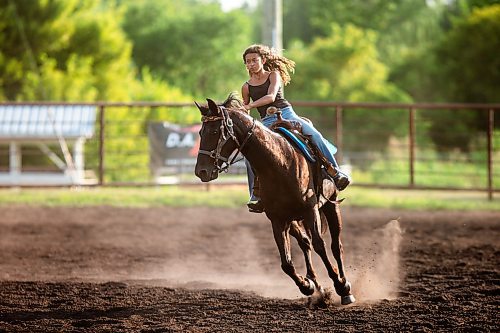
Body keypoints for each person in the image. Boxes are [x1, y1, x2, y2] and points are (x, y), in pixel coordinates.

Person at [241, 44, 350, 213]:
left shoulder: (273, 75)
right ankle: (256, 195)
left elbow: (271, 96)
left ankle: (335, 172)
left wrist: (249, 105)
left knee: (314, 135)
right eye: (248, 62)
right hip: (266, 121)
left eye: (254, 60)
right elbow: (246, 108)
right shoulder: (246, 87)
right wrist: (243, 109)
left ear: (263, 60)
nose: (251, 64)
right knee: (250, 154)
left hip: (286, 113)